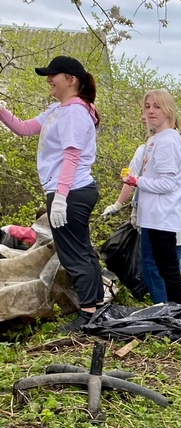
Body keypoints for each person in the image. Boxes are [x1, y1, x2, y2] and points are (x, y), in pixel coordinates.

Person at [0, 55, 102, 331]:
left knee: (73, 253)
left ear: (71, 80)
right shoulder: (59, 109)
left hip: (71, 191)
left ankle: (90, 312)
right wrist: (2, 111)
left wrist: (60, 197)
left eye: (53, 75)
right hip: (68, 190)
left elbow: (71, 156)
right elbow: (24, 128)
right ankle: (96, 306)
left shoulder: (75, 112)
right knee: (79, 248)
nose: (48, 79)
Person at [121, 90, 181, 305]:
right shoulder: (157, 139)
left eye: (157, 107)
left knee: (167, 269)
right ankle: (173, 312)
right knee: (162, 266)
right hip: (153, 215)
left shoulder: (168, 141)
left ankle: (178, 313)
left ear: (168, 110)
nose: (151, 111)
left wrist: (136, 181)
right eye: (148, 106)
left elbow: (168, 183)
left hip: (164, 215)